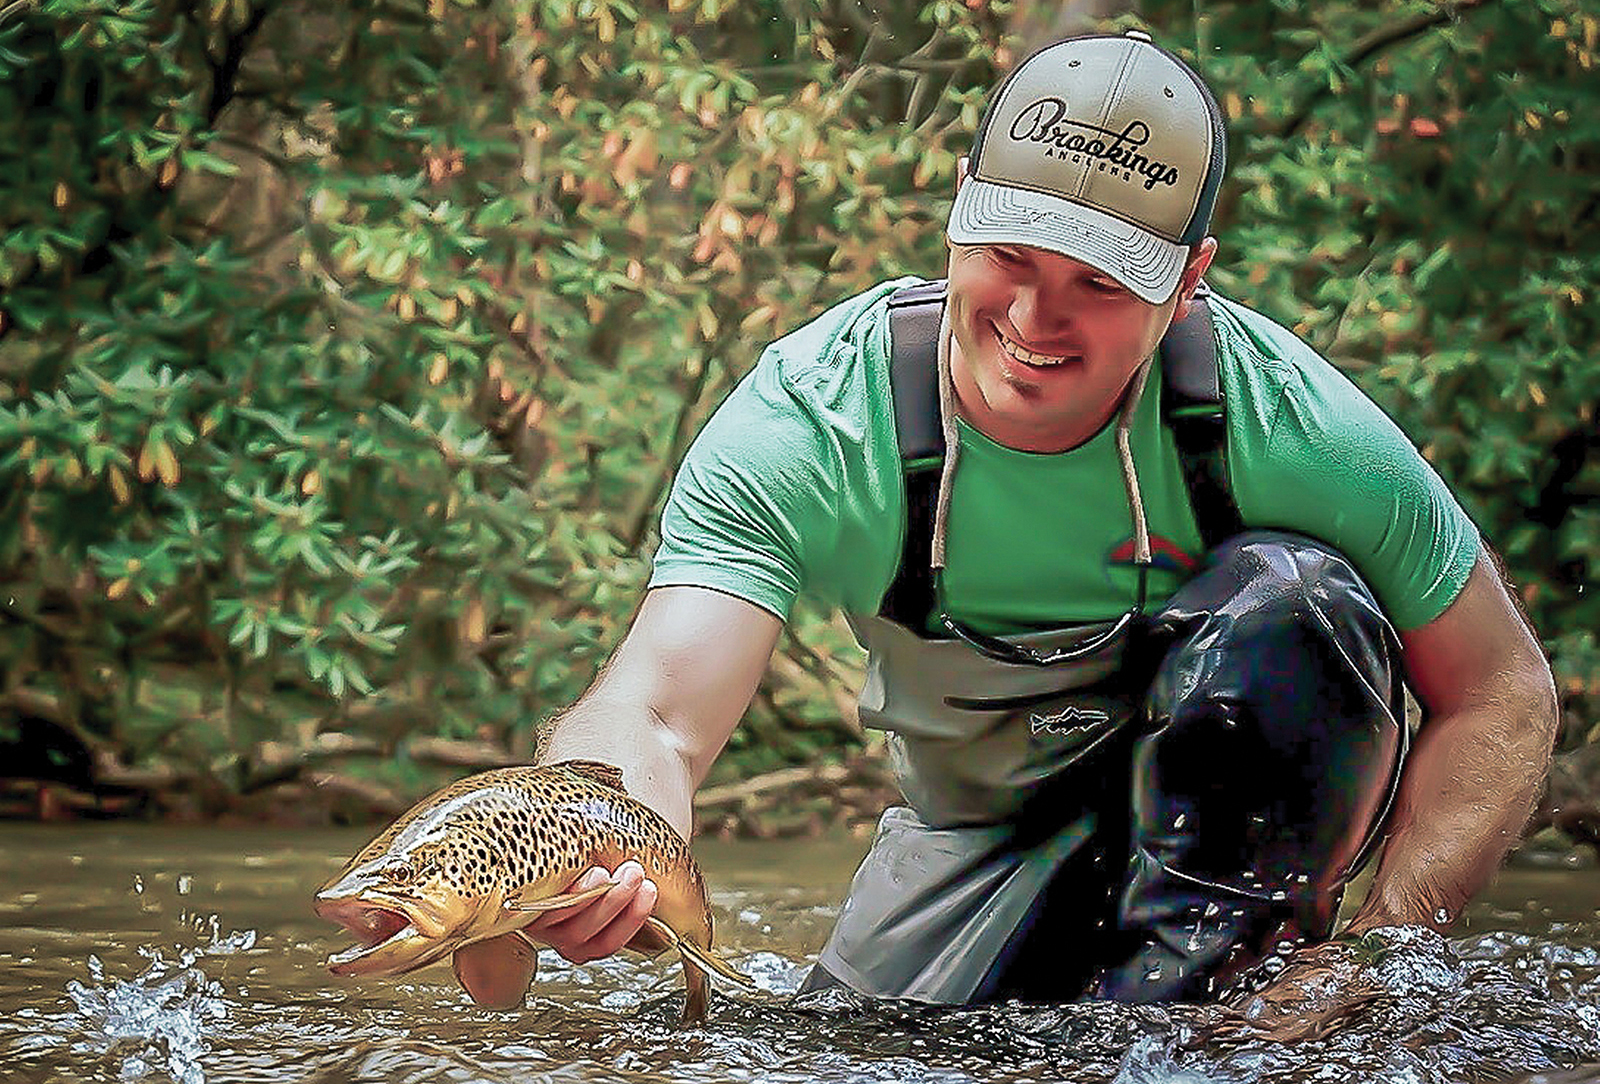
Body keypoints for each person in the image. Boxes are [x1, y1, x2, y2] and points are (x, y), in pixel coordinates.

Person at [529, 29, 1558, 1037]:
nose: (1032, 316)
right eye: (1006, 254)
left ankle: (1222, 1034)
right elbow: (656, 714)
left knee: (1298, 598)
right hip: (972, 839)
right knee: (845, 1051)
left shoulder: (1289, 425)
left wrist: (1380, 954)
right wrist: (595, 837)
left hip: (1238, 822)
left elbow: (1501, 693)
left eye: (1099, 283)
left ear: (1189, 278)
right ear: (958, 202)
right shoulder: (817, 422)